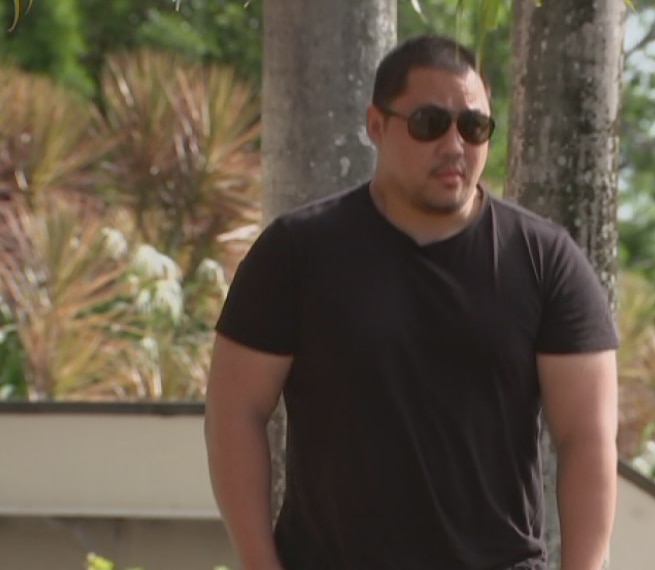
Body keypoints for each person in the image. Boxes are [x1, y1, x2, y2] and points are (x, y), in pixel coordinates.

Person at [204, 34, 619, 570]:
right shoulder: (297, 253)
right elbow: (234, 413)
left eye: (474, 127)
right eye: (430, 123)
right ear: (376, 124)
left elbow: (587, 438)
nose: (455, 146)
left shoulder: (545, 260)